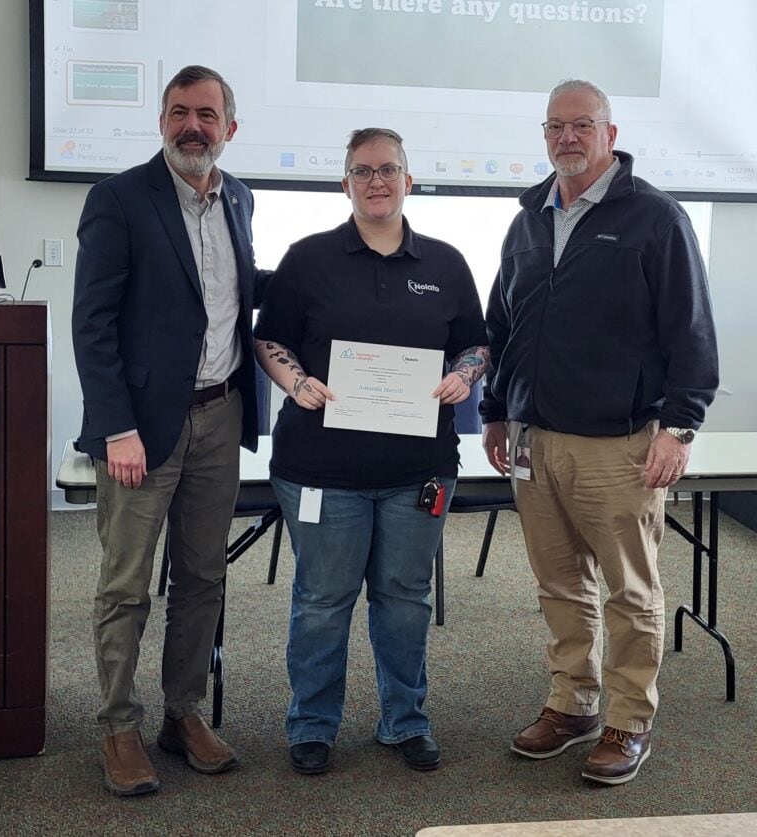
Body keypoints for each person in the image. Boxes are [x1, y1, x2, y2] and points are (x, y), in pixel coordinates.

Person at [480, 79, 719, 786]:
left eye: (583, 124)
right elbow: (505, 324)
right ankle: (572, 701)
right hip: (534, 438)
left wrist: (679, 426)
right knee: (559, 583)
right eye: (556, 125)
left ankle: (628, 718)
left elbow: (691, 330)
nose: (568, 137)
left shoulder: (655, 218)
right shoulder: (527, 219)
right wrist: (497, 408)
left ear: (610, 135)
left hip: (619, 442)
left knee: (630, 589)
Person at [254, 128, 489, 776]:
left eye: (389, 169)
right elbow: (268, 340)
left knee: (404, 597)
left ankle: (405, 720)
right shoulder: (308, 259)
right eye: (363, 171)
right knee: (323, 600)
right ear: (345, 184)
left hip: (420, 472)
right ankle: (312, 724)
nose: (376, 181)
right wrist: (296, 380)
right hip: (320, 472)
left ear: (409, 180)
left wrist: (466, 373)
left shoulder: (445, 264)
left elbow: (475, 343)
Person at [72, 65, 268, 797]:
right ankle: (117, 725)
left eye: (208, 114)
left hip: (221, 414)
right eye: (180, 112)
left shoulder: (241, 198)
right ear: (161, 122)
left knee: (203, 577)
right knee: (125, 584)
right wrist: (115, 426)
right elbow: (91, 324)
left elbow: (237, 302)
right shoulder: (118, 199)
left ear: (229, 128)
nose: (194, 125)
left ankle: (180, 713)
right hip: (141, 430)